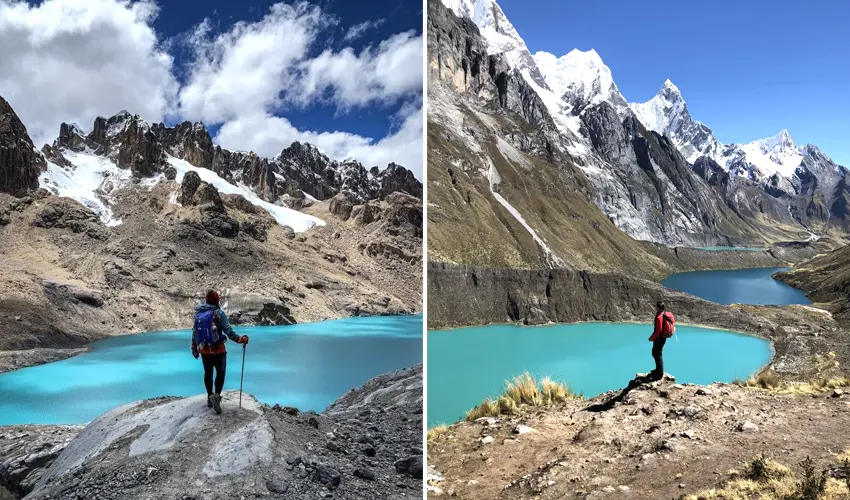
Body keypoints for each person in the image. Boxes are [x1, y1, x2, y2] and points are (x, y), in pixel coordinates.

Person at [191, 289, 249, 414]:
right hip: (218, 350)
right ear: (217, 301)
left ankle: (209, 396)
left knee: (208, 372)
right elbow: (229, 331)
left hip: (204, 350)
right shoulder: (219, 313)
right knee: (220, 373)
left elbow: (195, 331)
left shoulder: (199, 313)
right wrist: (241, 339)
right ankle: (216, 397)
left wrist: (194, 348)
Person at [648, 301, 675, 381]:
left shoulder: (659, 317)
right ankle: (658, 369)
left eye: (656, 307)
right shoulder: (666, 315)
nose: (655, 308)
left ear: (658, 308)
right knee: (655, 353)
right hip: (663, 337)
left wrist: (651, 338)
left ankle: (659, 373)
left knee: (657, 354)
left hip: (659, 338)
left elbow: (658, 331)